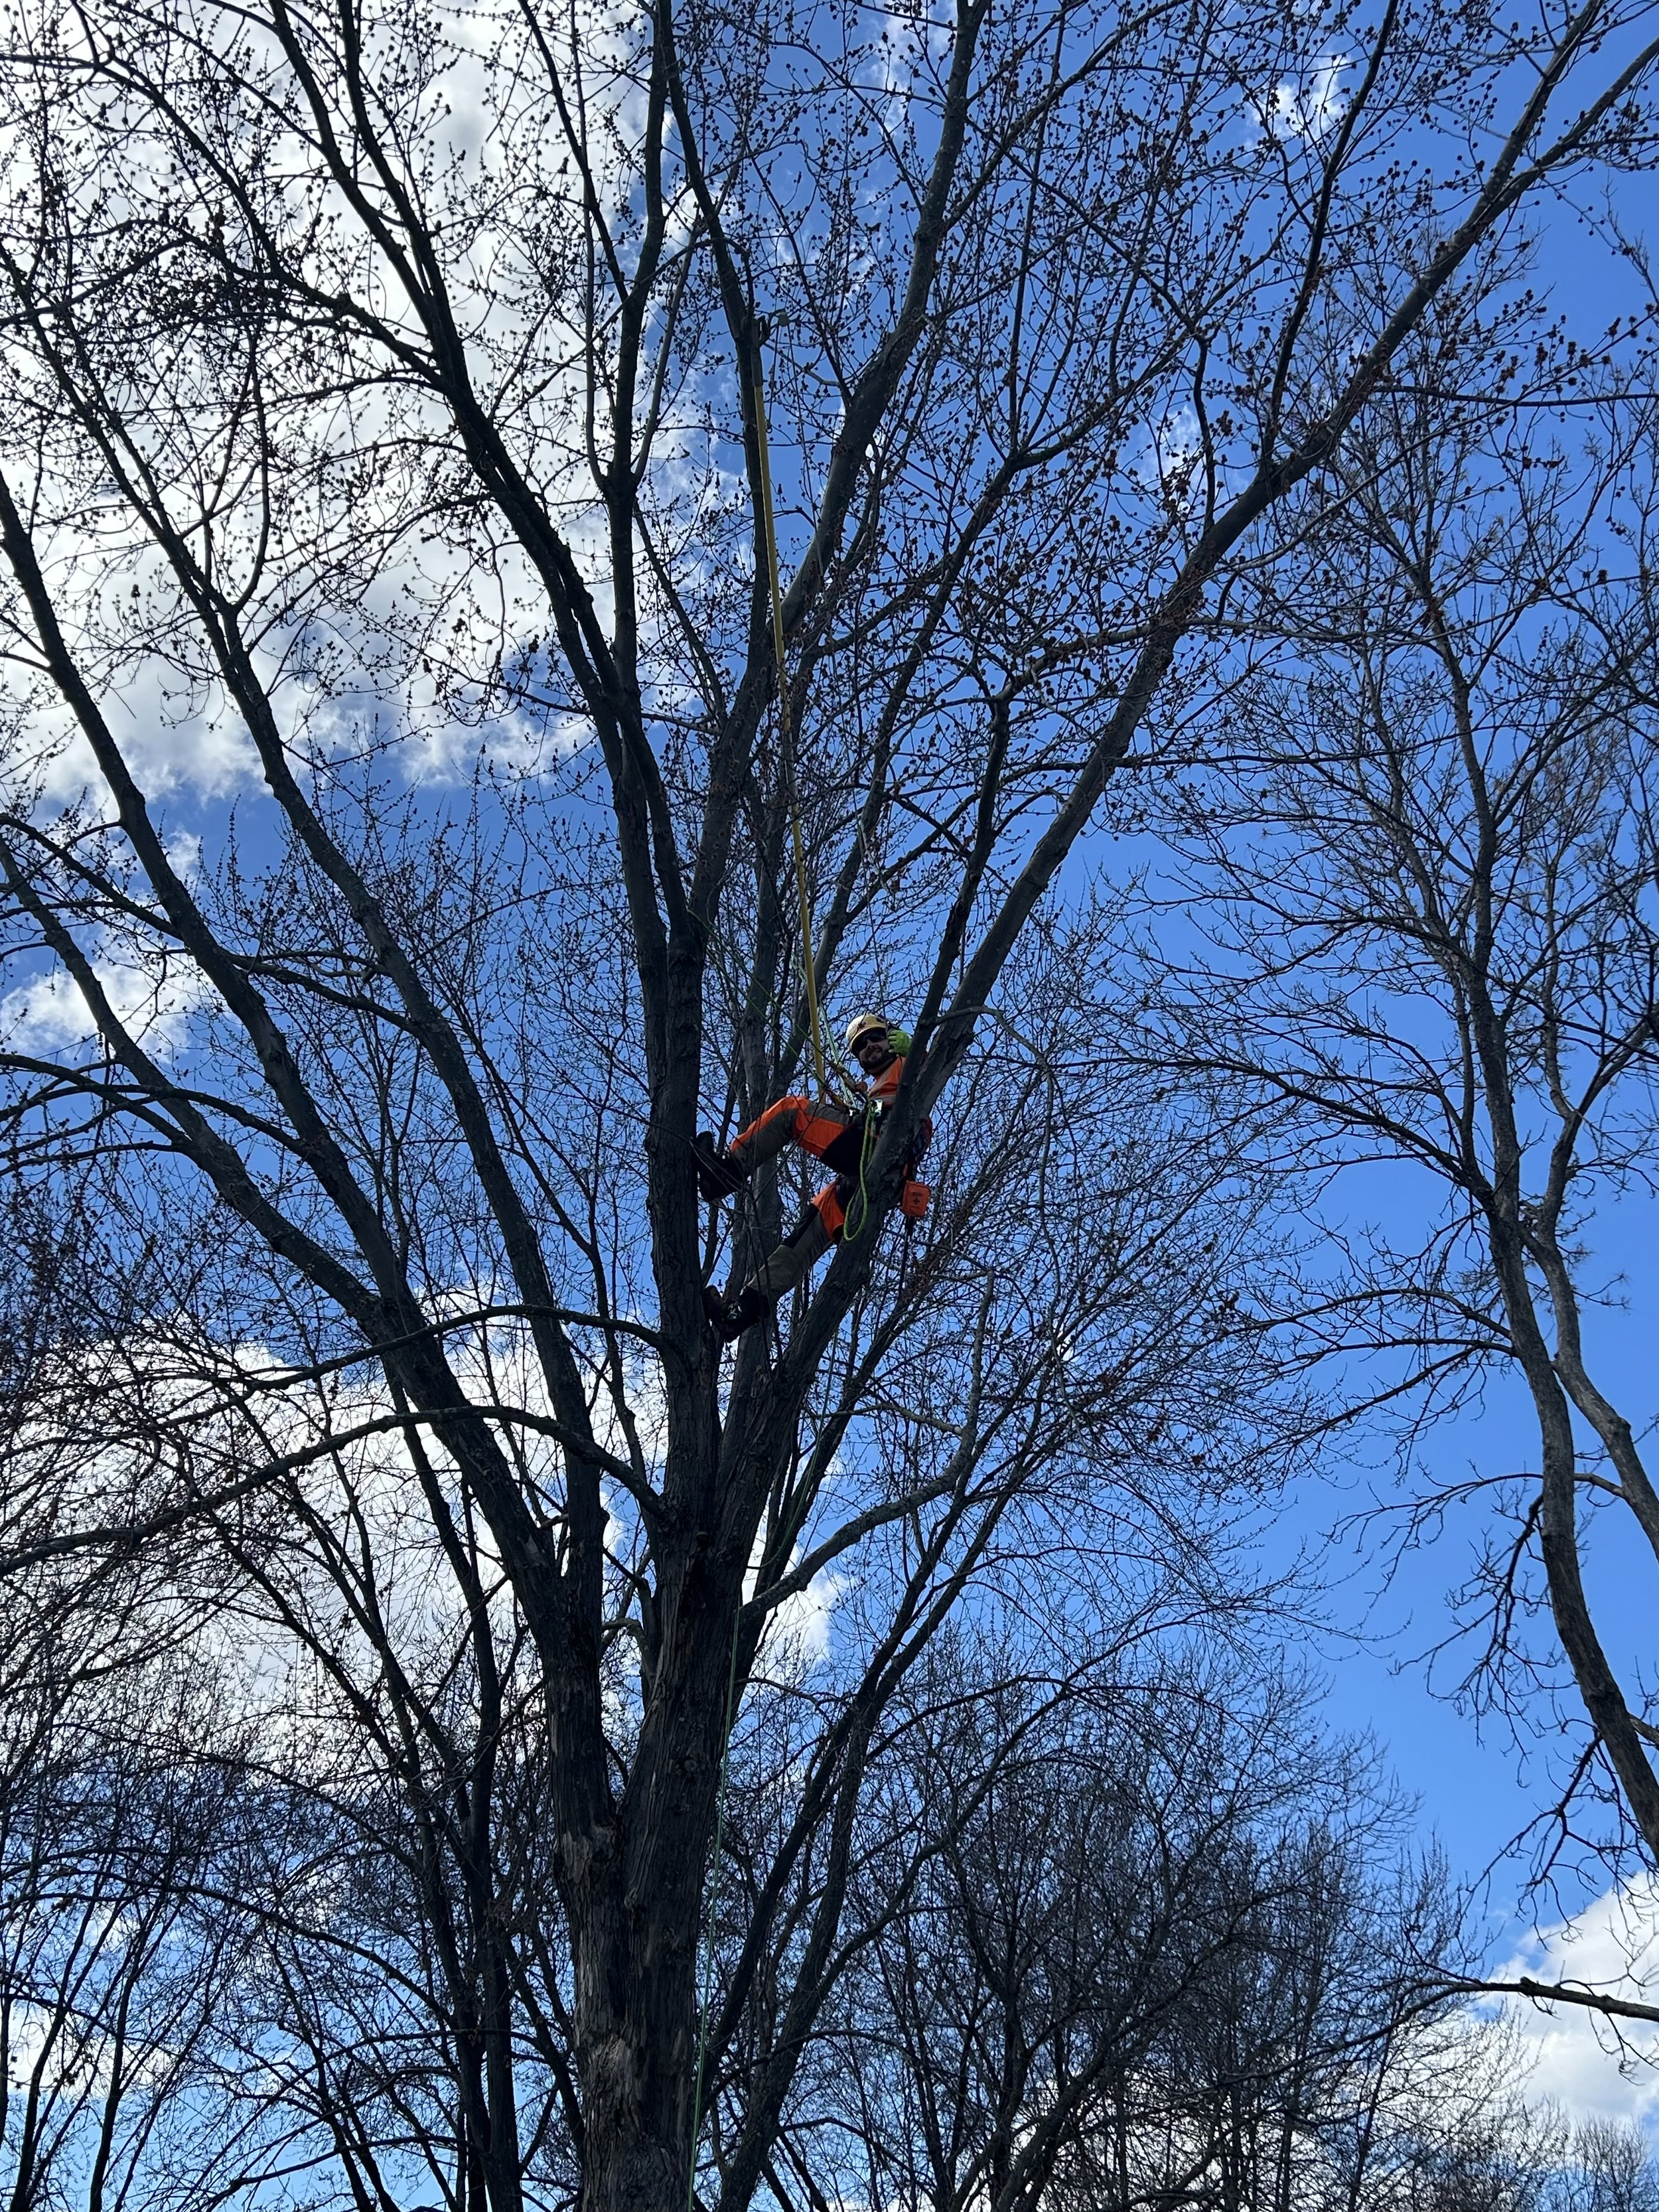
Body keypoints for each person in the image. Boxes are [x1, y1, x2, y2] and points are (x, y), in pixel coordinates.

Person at [694, 1012, 930, 1341]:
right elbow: (875, 1110)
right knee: (806, 1233)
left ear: (891, 1039)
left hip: (879, 1148)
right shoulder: (877, 1089)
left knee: (793, 1112)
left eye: (875, 1038)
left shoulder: (909, 1066)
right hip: (865, 1176)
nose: (869, 1047)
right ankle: (738, 1315)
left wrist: (917, 1048)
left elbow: (938, 1065)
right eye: (860, 1046)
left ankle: (726, 1172)